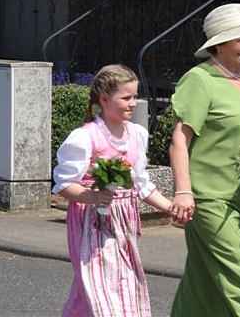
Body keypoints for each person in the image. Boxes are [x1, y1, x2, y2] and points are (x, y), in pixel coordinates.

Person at [168, 2, 240, 317]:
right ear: (218, 44)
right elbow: (180, 138)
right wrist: (183, 191)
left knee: (203, 288)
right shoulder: (199, 79)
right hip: (211, 199)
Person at [52, 64, 173, 317]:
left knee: (122, 282)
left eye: (135, 96)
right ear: (105, 99)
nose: (133, 103)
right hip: (92, 222)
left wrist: (171, 207)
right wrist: (94, 196)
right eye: (126, 97)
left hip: (123, 222)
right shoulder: (86, 137)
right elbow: (64, 184)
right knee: (100, 284)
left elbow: (141, 184)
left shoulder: (137, 134)